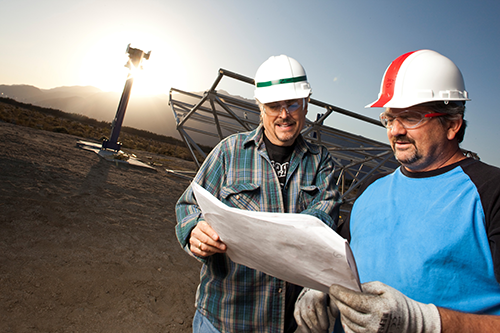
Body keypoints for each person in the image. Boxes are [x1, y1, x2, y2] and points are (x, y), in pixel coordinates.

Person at [294, 49, 500, 332]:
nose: (395, 131)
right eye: (390, 118)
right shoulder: (371, 187)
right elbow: (340, 259)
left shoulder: (490, 193)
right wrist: (319, 286)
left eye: (412, 117)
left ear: (452, 124)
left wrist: (425, 323)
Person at [175, 54, 341, 333]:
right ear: (260, 107)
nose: (284, 114)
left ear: (306, 104)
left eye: (292, 104)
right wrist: (194, 230)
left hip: (285, 323)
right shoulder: (229, 152)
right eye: (274, 105)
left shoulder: (321, 162)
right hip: (222, 320)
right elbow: (189, 204)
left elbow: (324, 216)